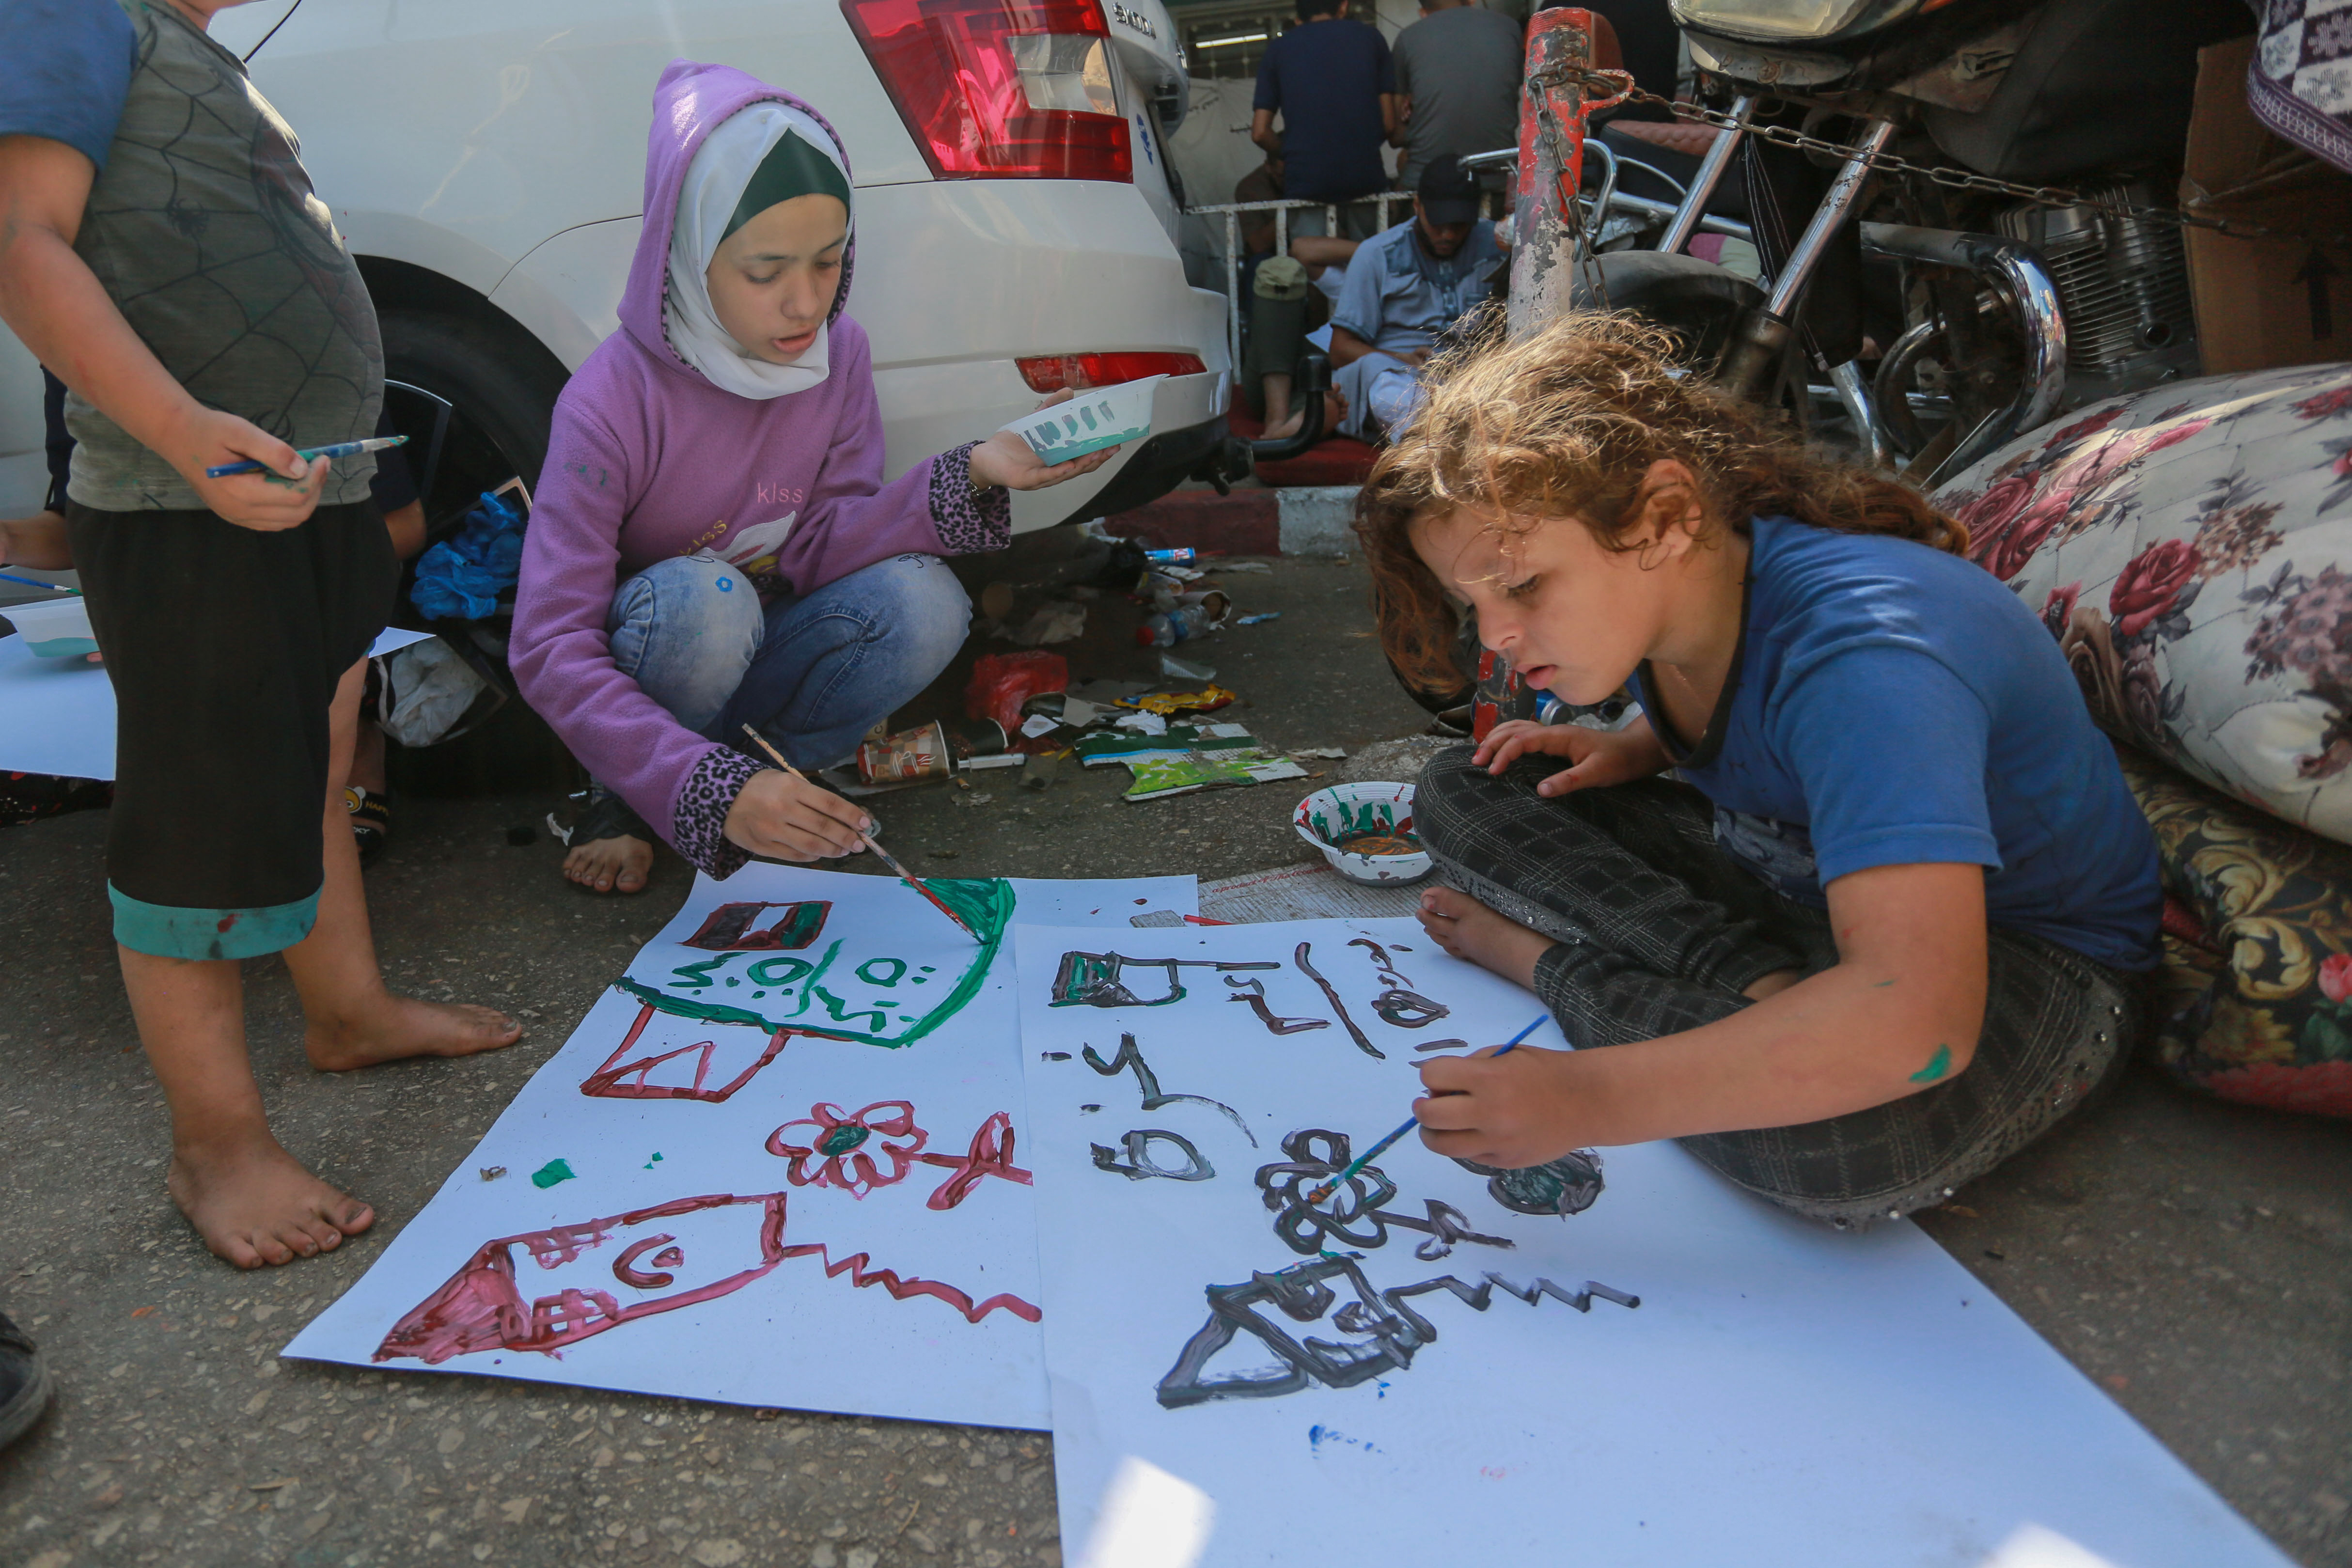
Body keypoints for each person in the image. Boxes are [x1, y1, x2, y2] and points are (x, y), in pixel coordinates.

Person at [1358, 314, 2160, 1226]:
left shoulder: (1868, 662)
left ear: (1664, 519)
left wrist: (1590, 1097)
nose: (1496, 638)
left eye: (1524, 586)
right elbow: (1751, 695)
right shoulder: (1688, 590)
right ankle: (1760, 988)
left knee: (1838, 1147)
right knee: (1466, 786)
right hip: (1801, 887)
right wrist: (1639, 745)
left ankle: (1555, 968)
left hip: (2019, 956)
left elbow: (1919, 1025)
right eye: (1474, 605)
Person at [0, 0, 521, 1270]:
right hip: (186, 508)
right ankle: (217, 1144)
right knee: (198, 828)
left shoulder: (192, 46)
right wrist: (185, 433)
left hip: (302, 497)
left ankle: (347, 1011)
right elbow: (19, 239)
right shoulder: (77, 12)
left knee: (320, 753)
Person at [510, 64, 1114, 897]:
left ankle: (775, 785)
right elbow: (549, 643)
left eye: (828, 263)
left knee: (926, 601)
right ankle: (639, 791)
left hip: (767, 642)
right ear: (686, 255)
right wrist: (695, 781)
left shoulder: (838, 353)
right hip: (674, 657)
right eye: (765, 273)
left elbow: (824, 540)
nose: (804, 305)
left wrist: (976, 469)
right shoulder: (609, 401)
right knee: (705, 600)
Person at [3, 369, 429, 860]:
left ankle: (345, 755)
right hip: (160, 618)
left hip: (285, 604)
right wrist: (10, 541)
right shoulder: (75, 355)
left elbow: (400, 527)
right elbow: (78, 522)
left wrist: (217, 592)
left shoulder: (294, 349)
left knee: (299, 801)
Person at [1325, 155, 1505, 440]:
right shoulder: (1377, 254)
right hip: (1398, 375)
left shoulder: (1498, 244)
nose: (1448, 235)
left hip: (1469, 376)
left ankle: (1437, 431)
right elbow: (1340, 349)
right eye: (1438, 224)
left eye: (1459, 225)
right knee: (1382, 378)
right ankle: (1428, 437)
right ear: (1418, 206)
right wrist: (1400, 359)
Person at [1251, 0, 1398, 238]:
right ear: (1343, 6)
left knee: (1313, 254)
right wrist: (1359, 145)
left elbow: (1260, 133)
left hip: (1306, 179)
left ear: (1299, 14)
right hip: (1364, 175)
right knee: (1372, 253)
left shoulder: (1279, 49)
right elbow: (1389, 124)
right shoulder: (1371, 38)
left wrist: (1293, 154)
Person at [1390, 0, 1526, 192]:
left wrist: (1418, 116)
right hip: (1498, 179)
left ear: (1423, 11)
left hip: (1428, 184)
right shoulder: (1509, 28)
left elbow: (1395, 136)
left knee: (1402, 168)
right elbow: (1504, 92)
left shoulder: (1408, 37)